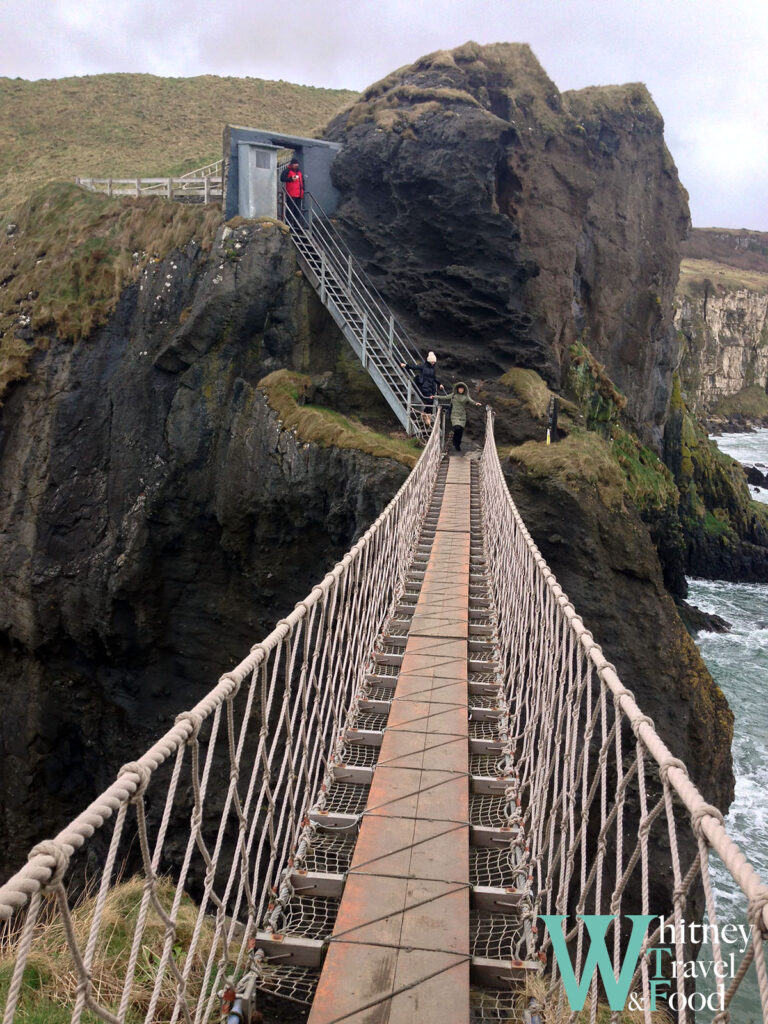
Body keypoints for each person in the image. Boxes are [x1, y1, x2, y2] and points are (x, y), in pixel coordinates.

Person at [400, 351, 445, 428]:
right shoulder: (423, 366)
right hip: (424, 386)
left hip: (431, 387)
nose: (433, 363)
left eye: (434, 362)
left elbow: (434, 378)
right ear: (429, 361)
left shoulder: (433, 369)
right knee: (430, 400)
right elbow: (414, 367)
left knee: (431, 401)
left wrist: (439, 384)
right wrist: (406, 365)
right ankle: (425, 415)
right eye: (432, 362)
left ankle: (425, 415)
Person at [443, 381, 482, 452]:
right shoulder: (453, 395)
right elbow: (445, 397)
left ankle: (458, 444)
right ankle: (455, 441)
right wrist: (434, 397)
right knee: (457, 428)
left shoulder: (465, 397)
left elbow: (471, 401)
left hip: (462, 416)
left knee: (460, 431)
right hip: (454, 415)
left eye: (462, 389)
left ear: (464, 390)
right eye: (459, 389)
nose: (461, 390)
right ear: (457, 389)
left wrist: (476, 403)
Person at [280, 158, 304, 223]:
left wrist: (303, 189)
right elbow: (282, 178)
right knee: (290, 210)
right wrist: (291, 179)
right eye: (295, 164)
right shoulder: (287, 170)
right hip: (291, 194)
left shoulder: (299, 172)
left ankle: (296, 226)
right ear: (292, 164)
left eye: (297, 165)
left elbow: (302, 181)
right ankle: (289, 225)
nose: (296, 166)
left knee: (297, 210)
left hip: (299, 194)